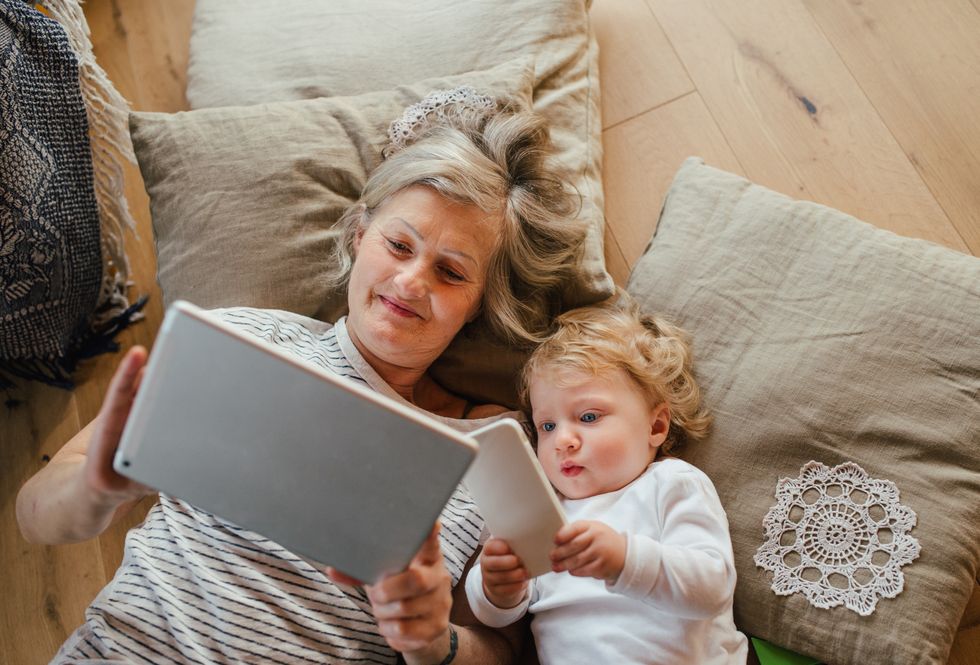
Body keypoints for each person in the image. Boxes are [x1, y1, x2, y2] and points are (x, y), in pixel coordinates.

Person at [16, 87, 588, 665]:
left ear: (481, 304)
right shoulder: (244, 340)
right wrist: (96, 488)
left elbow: (505, 648)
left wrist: (432, 641)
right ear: (360, 235)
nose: (413, 282)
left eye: (450, 271)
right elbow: (33, 514)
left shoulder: (498, 450)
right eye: (398, 244)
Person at [465, 298, 749, 664]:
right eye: (547, 426)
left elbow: (711, 586)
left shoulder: (672, 483)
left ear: (656, 426)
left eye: (587, 416)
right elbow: (497, 617)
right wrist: (496, 588)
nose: (563, 440)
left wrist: (624, 559)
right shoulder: (542, 510)